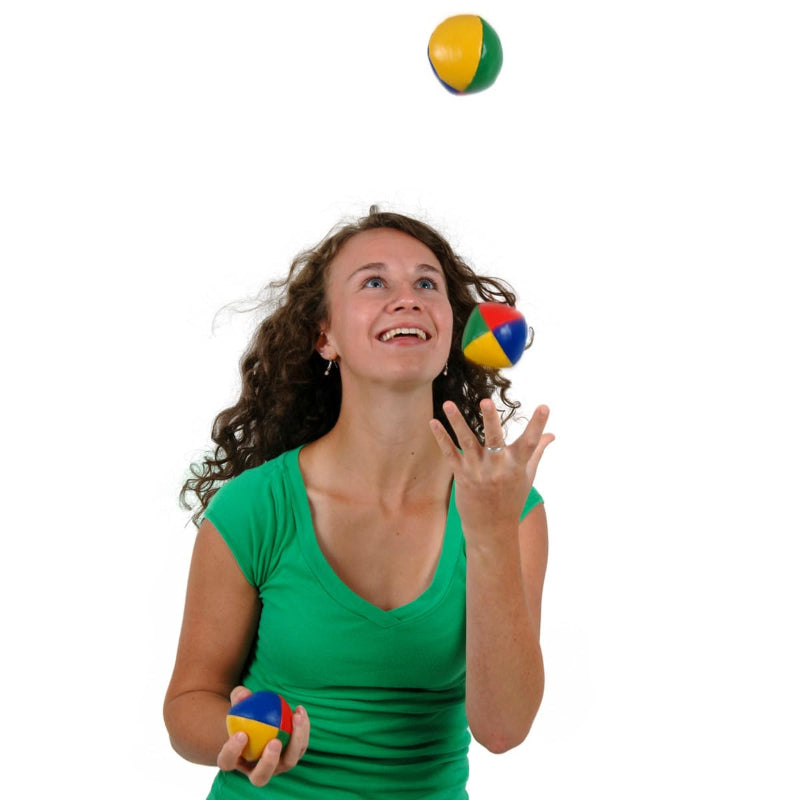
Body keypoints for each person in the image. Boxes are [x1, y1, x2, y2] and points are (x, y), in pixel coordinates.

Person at [163, 206, 554, 799]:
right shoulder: (253, 509)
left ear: (456, 330)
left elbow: (502, 730)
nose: (408, 298)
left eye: (428, 283)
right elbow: (187, 702)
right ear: (326, 336)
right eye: (375, 282)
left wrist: (491, 534)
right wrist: (241, 739)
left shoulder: (510, 506)